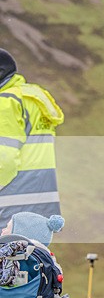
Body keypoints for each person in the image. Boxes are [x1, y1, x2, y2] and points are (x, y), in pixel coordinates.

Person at [0, 49, 64, 226]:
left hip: (10, 207)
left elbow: (4, 160)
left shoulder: (5, 103)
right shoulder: (31, 99)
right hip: (42, 204)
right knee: (34, 253)